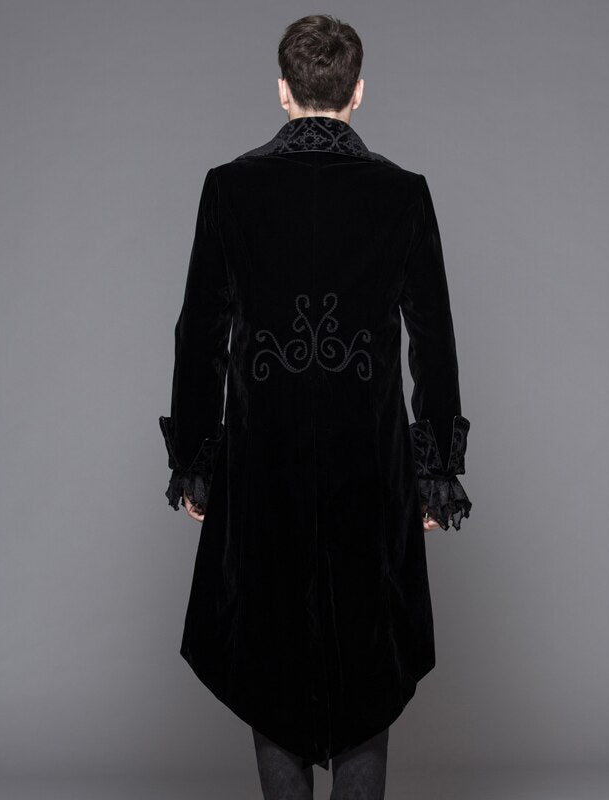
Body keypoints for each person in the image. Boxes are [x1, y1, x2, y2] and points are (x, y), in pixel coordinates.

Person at [158, 13, 472, 799]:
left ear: (283, 91)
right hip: (370, 468)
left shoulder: (230, 189)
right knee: (368, 660)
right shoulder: (402, 195)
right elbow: (434, 340)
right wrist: (434, 471)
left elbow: (199, 335)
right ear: (358, 92)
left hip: (262, 467)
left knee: (270, 657)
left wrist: (196, 461)